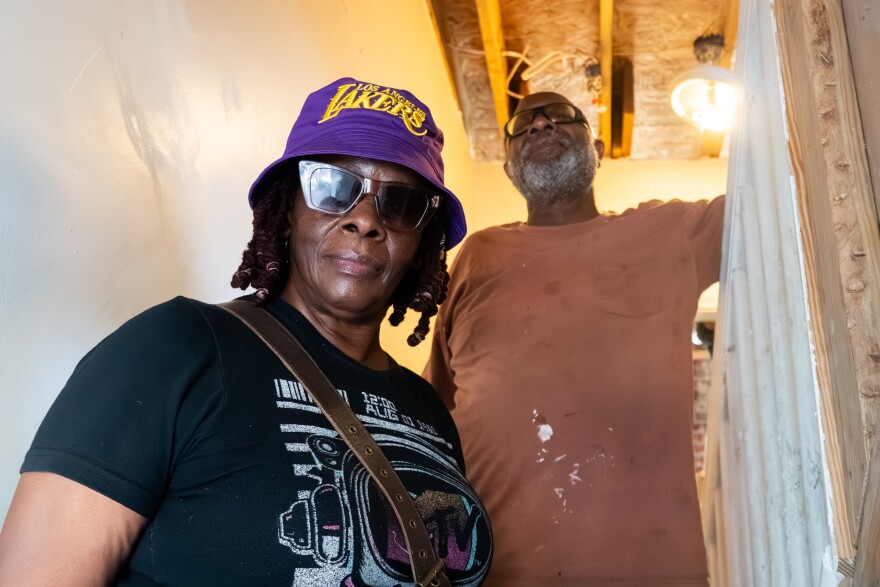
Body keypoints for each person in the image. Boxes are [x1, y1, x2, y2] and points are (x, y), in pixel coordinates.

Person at [0, 77, 492, 587]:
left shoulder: (428, 410)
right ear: (286, 213)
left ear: (422, 242)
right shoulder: (173, 349)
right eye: (331, 186)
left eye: (400, 203)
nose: (364, 220)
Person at [424, 91, 724, 586]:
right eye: (522, 125)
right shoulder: (475, 256)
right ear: (507, 169)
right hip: (492, 573)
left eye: (561, 116)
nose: (540, 124)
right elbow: (433, 415)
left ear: (598, 149)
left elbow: (782, 201)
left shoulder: (674, 231)